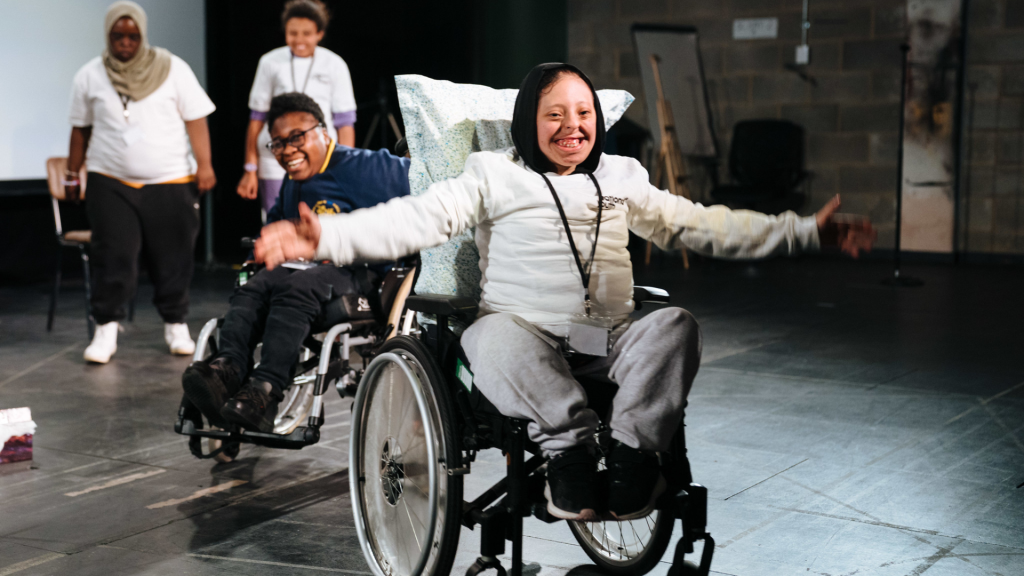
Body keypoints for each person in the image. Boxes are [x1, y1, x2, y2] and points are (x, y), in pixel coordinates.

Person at [254, 64, 876, 521]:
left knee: (675, 324)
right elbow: (420, 218)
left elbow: (700, 223)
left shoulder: (623, 176)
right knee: (487, 334)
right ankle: (568, 448)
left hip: (608, 335)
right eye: (555, 114)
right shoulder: (492, 174)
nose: (573, 126)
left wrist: (804, 232)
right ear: (529, 122)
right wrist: (327, 236)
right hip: (524, 335)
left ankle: (633, 457)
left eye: (584, 114)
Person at [182, 92, 410, 433]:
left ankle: (266, 390)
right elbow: (274, 228)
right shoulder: (294, 183)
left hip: (361, 271)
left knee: (298, 285)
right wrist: (253, 261)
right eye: (277, 143)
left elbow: (421, 186)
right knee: (255, 285)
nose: (286, 150)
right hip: (305, 271)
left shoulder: (366, 166)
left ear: (324, 131)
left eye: (296, 138)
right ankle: (226, 373)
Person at [67, 1, 217, 364]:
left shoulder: (172, 68)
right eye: (117, 36)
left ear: (142, 36)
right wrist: (74, 172)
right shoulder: (90, 74)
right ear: (108, 36)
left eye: (132, 36)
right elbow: (80, 128)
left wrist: (205, 164)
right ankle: (106, 328)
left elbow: (196, 118)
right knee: (113, 256)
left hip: (170, 179)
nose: (125, 43)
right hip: (111, 181)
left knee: (174, 257)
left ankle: (176, 324)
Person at [236, 0, 357, 221]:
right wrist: (250, 168)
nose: (299, 40)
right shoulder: (270, 62)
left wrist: (344, 166)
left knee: (320, 219)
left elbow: (345, 122)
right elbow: (256, 119)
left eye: (306, 33)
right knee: (278, 220)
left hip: (319, 155)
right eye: (293, 33)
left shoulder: (334, 64)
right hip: (274, 157)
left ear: (319, 34)